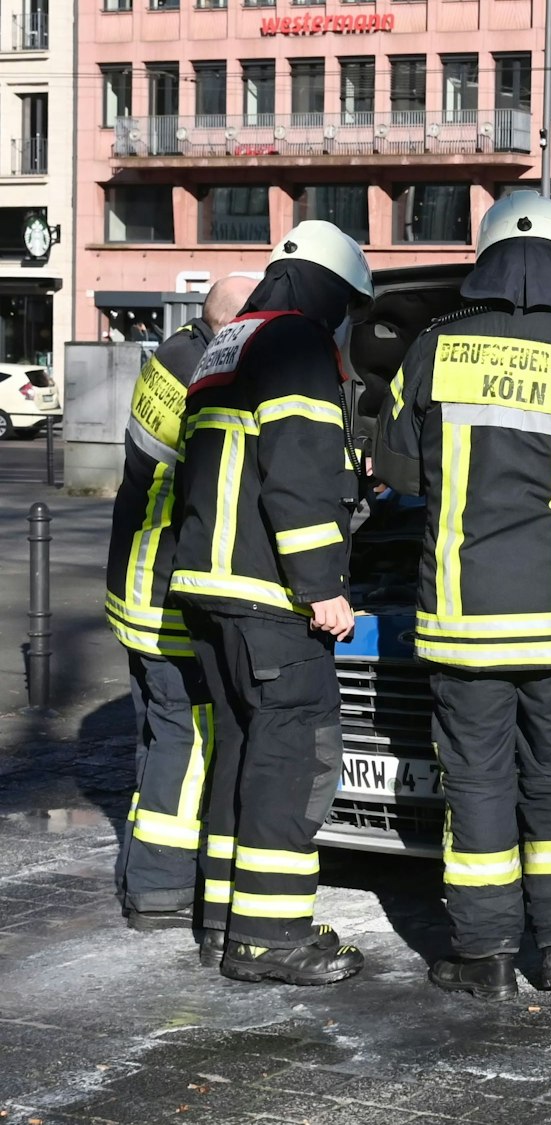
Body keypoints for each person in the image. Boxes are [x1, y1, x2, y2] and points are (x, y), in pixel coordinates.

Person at [376, 193, 551, 999]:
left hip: (465, 621)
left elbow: (393, 467)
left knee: (477, 783)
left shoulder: (432, 349)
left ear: (484, 257)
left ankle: (486, 954)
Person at [170, 222, 374, 984]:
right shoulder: (298, 345)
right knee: (296, 758)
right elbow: (296, 476)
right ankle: (270, 938)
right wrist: (322, 586)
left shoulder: (231, 341)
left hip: (209, 589)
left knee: (242, 757)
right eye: (348, 305)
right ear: (329, 290)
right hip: (269, 597)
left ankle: (225, 919)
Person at [107, 275, 256, 932]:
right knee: (184, 739)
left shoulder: (169, 356)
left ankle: (142, 869)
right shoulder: (207, 378)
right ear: (232, 326)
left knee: (152, 736)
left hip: (130, 582)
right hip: (166, 594)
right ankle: (160, 891)